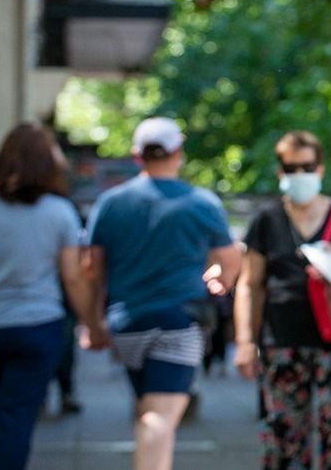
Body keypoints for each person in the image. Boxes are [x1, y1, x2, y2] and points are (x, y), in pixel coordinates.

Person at [84, 117, 242, 470]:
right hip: (178, 323)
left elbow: (92, 269)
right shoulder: (201, 202)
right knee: (160, 418)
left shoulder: (110, 203)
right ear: (178, 153)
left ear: (137, 155)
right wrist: (220, 280)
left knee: (148, 409)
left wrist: (93, 323)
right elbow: (231, 260)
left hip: (126, 324)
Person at [233, 130, 331, 469]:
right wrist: (245, 342)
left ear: (319, 169)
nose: (300, 174)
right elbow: (250, 284)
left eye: (307, 167)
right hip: (281, 341)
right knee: (284, 437)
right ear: (281, 171)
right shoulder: (266, 219)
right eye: (291, 168)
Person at [0, 123, 107, 470]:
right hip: (37, 326)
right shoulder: (59, 212)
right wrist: (92, 325)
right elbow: (73, 278)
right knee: (15, 418)